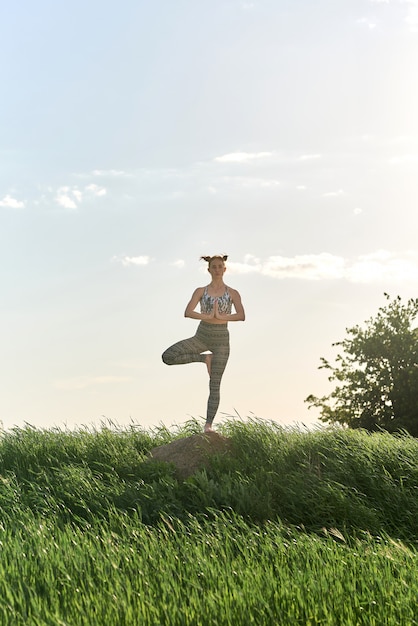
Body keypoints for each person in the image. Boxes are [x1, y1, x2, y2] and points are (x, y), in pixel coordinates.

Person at [162, 255, 245, 433]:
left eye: (219, 266)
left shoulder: (233, 293)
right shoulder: (200, 291)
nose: (216, 269)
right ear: (208, 270)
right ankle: (204, 359)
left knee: (215, 383)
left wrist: (222, 317)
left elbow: (241, 315)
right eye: (213, 267)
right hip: (202, 336)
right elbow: (188, 312)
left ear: (225, 269)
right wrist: (207, 316)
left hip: (221, 340)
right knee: (168, 356)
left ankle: (208, 425)